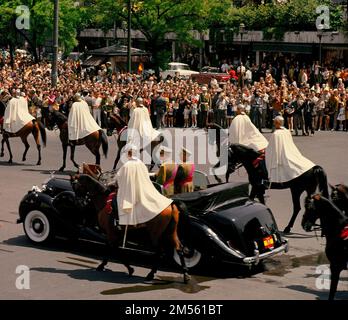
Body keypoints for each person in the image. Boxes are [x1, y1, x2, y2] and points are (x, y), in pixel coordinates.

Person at [116, 144, 173, 226]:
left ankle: (125, 222)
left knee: (122, 201)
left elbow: (118, 178)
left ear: (129, 153)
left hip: (134, 191)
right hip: (146, 188)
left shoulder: (127, 165)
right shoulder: (141, 163)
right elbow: (145, 174)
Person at [265, 116, 315, 184]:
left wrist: (266, 150)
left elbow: (271, 148)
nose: (273, 123)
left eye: (274, 122)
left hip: (281, 154)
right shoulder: (287, 131)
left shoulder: (276, 134)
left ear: (277, 123)